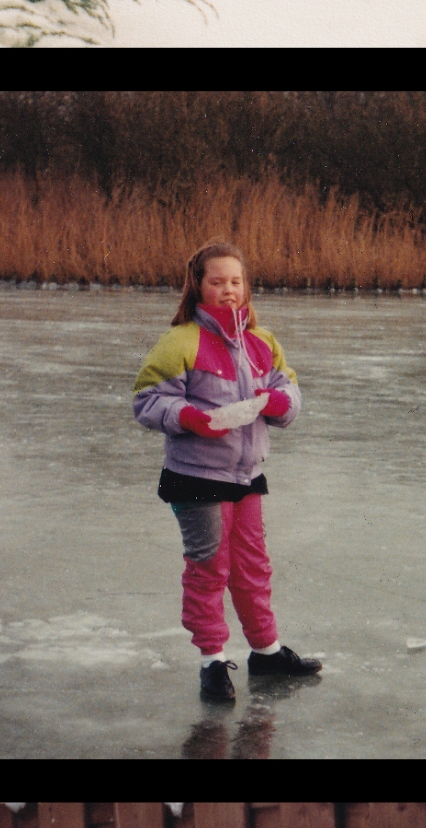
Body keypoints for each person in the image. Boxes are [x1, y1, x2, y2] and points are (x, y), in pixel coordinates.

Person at [131, 244, 321, 707]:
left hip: (246, 476)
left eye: (236, 281)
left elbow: (288, 388)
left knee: (253, 567)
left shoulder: (262, 341)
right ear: (198, 286)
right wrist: (190, 417)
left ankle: (267, 652)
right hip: (196, 479)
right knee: (208, 569)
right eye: (217, 282)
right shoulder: (181, 341)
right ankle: (212, 662)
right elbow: (147, 401)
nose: (228, 290)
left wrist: (281, 403)